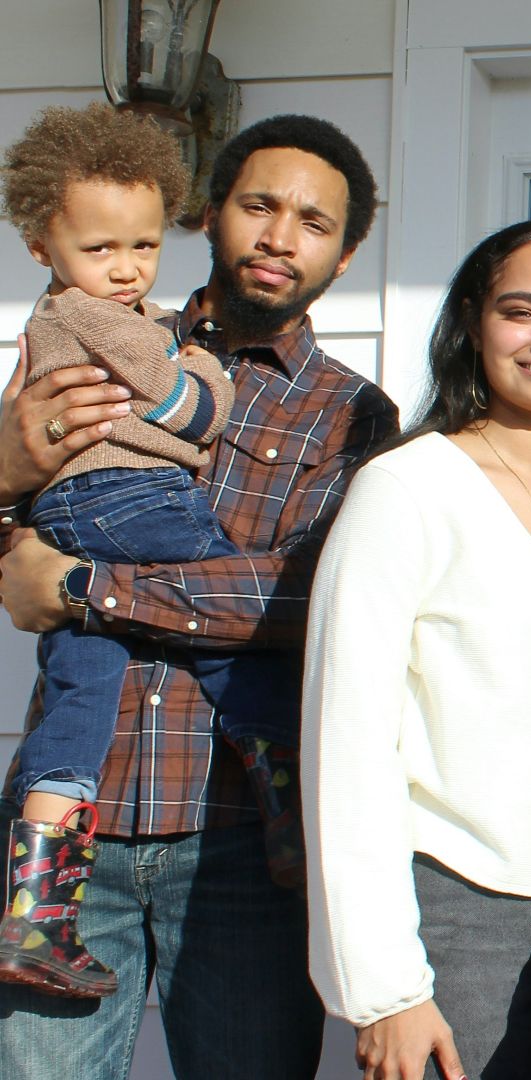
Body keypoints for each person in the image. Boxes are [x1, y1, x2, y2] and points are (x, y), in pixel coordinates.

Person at [0, 113, 395, 1078]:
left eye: (312, 222)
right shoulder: (91, 333)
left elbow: (301, 599)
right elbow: (24, 536)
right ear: (209, 215)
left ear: (343, 259)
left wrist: (87, 588)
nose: (278, 235)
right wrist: (3, 476)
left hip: (241, 850)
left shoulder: (355, 415)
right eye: (258, 205)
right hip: (70, 850)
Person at [304, 217, 531, 1080]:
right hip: (456, 917)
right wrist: (385, 987)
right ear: (472, 321)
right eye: (521, 310)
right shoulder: (407, 489)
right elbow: (344, 742)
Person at [0, 103, 235, 998]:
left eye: (143, 246)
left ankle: (35, 915)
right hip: (127, 499)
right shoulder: (106, 319)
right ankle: (279, 777)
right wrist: (200, 375)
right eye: (103, 250)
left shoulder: (59, 320)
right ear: (40, 243)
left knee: (76, 707)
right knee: (224, 608)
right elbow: (191, 414)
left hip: (66, 518)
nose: (128, 268)